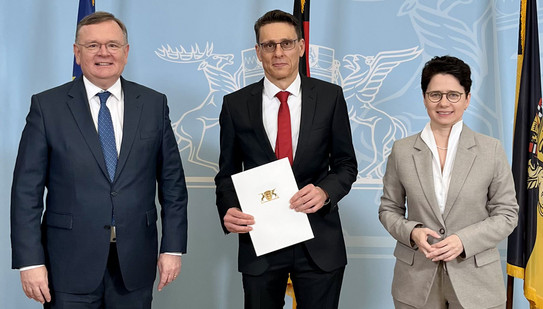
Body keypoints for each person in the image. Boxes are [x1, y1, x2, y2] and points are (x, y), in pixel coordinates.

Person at [10, 11, 188, 309]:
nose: (103, 53)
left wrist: (172, 247)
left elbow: (172, 185)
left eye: (112, 45)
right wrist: (29, 262)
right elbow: (26, 192)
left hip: (135, 263)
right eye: (92, 45)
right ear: (76, 53)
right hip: (67, 264)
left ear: (126, 52)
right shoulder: (47, 106)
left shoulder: (154, 104)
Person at [214, 9, 357, 309]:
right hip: (260, 243)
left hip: (319, 241)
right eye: (269, 45)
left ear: (301, 47)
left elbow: (346, 165)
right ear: (258, 52)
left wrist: (325, 191)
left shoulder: (330, 97)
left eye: (286, 43)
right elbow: (226, 173)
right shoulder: (235, 105)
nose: (278, 52)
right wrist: (228, 208)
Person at [378, 55, 519, 309]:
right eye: (435, 95)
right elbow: (389, 209)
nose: (444, 103)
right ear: (424, 98)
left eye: (453, 95)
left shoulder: (491, 150)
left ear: (467, 98)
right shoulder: (402, 150)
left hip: (477, 283)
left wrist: (464, 240)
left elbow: (507, 213)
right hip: (415, 282)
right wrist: (412, 232)